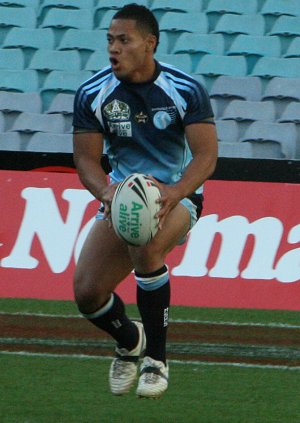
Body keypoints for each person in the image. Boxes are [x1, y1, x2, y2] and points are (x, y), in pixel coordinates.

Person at [72, 3, 218, 399]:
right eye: (109, 40)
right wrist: (106, 193)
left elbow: (206, 155)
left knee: (147, 245)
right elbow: (85, 159)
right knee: (86, 293)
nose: (112, 49)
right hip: (120, 197)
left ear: (149, 44)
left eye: (123, 40)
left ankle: (156, 360)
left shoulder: (185, 89)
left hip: (178, 196)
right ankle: (128, 340)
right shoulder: (93, 92)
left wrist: (175, 193)